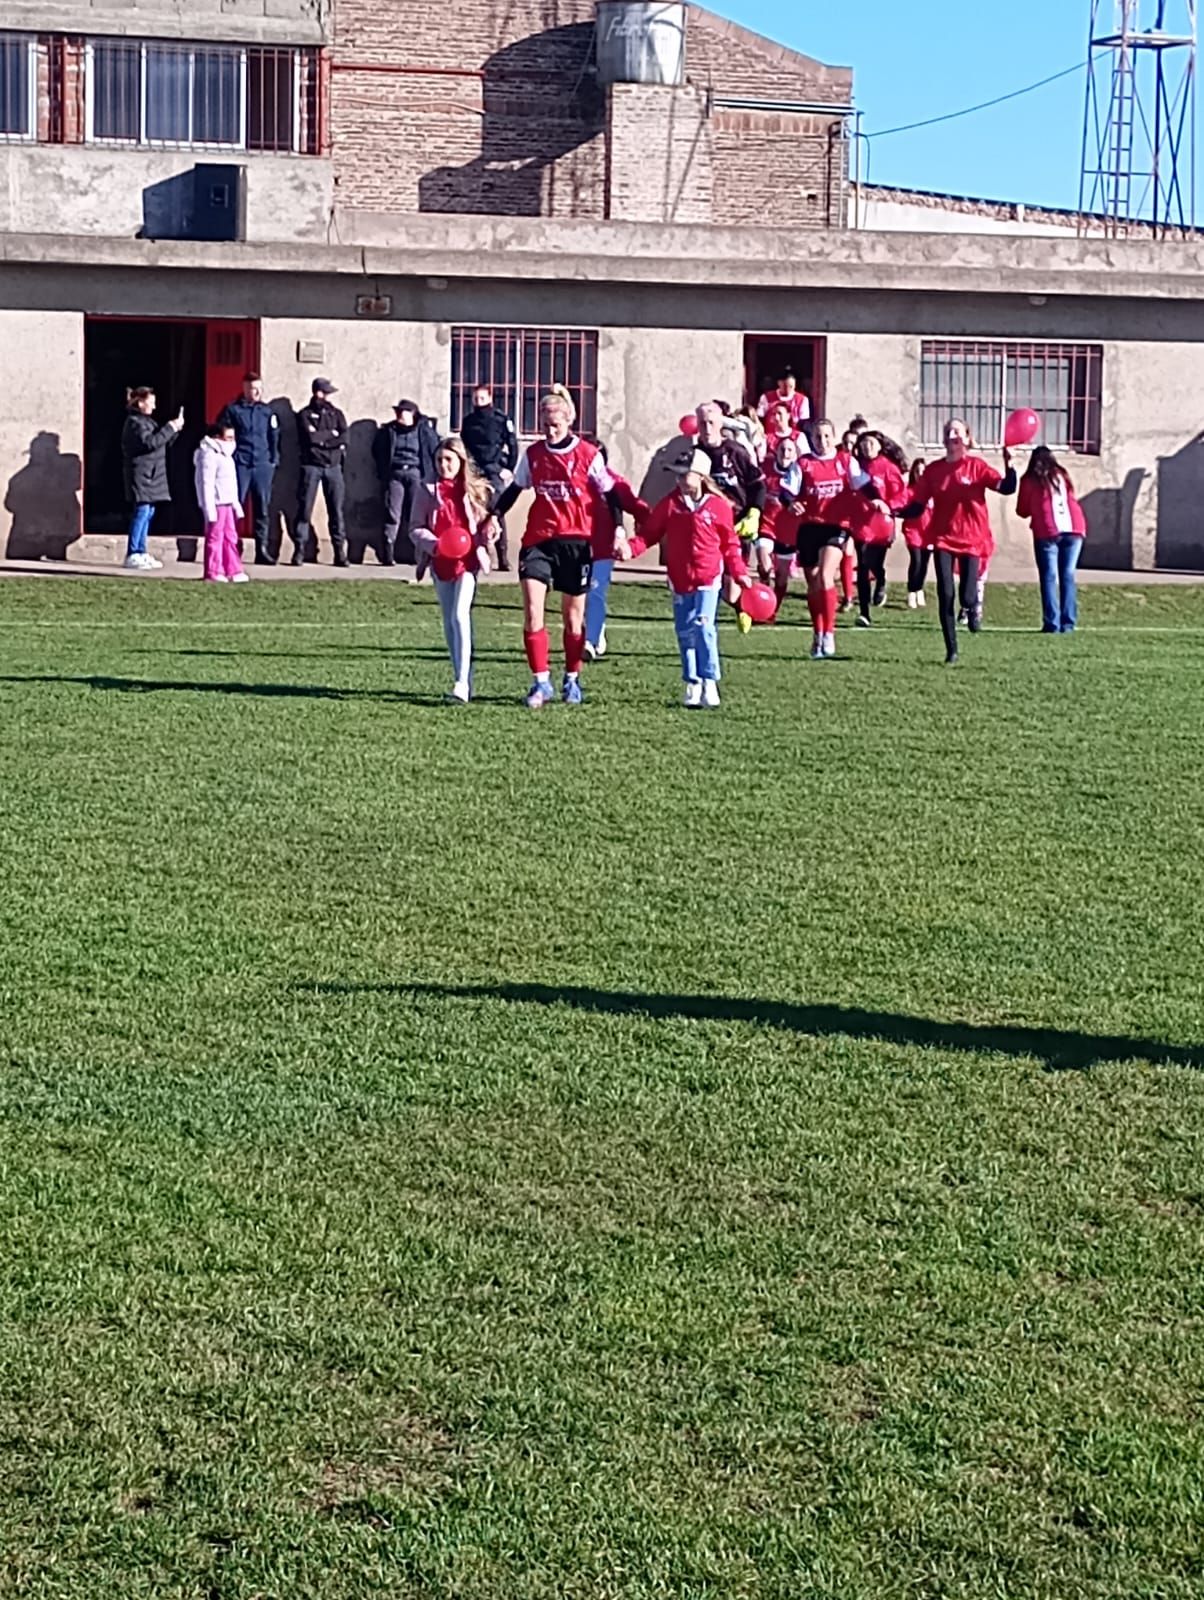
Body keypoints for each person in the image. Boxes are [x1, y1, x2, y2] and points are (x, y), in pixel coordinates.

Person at [492, 384, 618, 709]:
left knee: (573, 618)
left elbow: (611, 493)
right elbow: (515, 489)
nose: (550, 430)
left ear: (569, 421)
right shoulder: (534, 455)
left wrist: (618, 529)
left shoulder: (588, 455)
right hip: (538, 541)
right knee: (533, 611)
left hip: (576, 544)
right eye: (545, 424)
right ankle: (541, 682)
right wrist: (493, 515)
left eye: (556, 424)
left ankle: (572, 678)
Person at [617, 449, 751, 708]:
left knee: (703, 625)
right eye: (676, 475)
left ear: (700, 475)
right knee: (685, 632)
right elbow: (649, 534)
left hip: (708, 577)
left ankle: (710, 680)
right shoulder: (670, 505)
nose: (678, 480)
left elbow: (730, 544)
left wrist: (739, 572)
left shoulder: (718, 507)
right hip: (679, 579)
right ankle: (692, 682)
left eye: (684, 474)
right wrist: (630, 549)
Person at [901, 419, 1017, 663]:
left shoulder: (976, 467)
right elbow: (917, 506)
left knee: (967, 596)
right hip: (943, 538)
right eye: (948, 431)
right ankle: (951, 649)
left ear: (966, 437)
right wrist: (892, 511)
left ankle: (972, 607)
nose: (952, 434)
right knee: (945, 593)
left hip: (972, 539)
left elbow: (1007, 488)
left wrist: (1010, 464)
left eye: (957, 430)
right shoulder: (933, 471)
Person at [410, 437, 496, 702]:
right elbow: (415, 527)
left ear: (461, 462)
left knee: (460, 614)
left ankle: (462, 684)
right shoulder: (426, 490)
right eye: (439, 460)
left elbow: (487, 521)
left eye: (449, 460)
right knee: (449, 621)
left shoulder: (472, 490)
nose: (443, 465)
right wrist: (433, 545)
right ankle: (461, 674)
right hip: (440, 560)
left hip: (467, 561)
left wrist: (490, 533)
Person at [779, 418, 858, 660]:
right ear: (811, 439)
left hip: (836, 526)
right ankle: (818, 632)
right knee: (813, 583)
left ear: (834, 437)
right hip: (809, 527)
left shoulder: (845, 461)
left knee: (825, 575)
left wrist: (876, 501)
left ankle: (830, 633)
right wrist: (791, 504)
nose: (822, 441)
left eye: (826, 436)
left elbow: (864, 484)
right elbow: (786, 491)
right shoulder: (803, 464)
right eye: (817, 436)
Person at [694, 400, 765, 632]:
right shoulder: (695, 455)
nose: (707, 428)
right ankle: (704, 621)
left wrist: (754, 513)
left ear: (720, 423)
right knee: (709, 578)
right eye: (702, 423)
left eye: (711, 422)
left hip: (737, 524)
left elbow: (758, 485)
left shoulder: (736, 452)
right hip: (706, 526)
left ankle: (744, 605)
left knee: (732, 584)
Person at [584, 442, 646, 663]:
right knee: (580, 594)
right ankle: (596, 631)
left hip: (604, 548)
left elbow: (636, 506)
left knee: (595, 591)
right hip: (576, 546)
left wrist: (649, 527)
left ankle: (590, 641)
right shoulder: (574, 480)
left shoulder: (614, 483)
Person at [1017, 445, 1087, 633]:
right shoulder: (1062, 474)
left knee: (1049, 576)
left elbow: (1022, 510)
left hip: (1047, 530)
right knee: (1068, 575)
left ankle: (1052, 623)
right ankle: (1068, 623)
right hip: (1075, 527)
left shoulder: (1029, 480)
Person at [846, 432, 909, 626]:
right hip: (861, 524)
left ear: (880, 447)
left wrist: (888, 506)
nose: (867, 447)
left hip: (882, 524)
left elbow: (901, 495)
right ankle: (864, 613)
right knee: (863, 566)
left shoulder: (888, 468)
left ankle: (881, 580)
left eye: (871, 443)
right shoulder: (855, 466)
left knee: (874, 564)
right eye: (864, 443)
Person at [219, 373, 280, 566]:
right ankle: (232, 548)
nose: (257, 392)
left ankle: (262, 550)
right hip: (241, 463)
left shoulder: (266, 411)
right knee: (236, 507)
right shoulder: (232, 410)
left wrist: (273, 460)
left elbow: (274, 436)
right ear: (245, 389)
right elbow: (221, 434)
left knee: (262, 508)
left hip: (262, 465)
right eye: (253, 389)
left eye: (259, 389)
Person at [120, 385, 184, 571]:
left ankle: (141, 550)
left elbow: (161, 442)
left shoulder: (147, 422)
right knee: (141, 512)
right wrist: (169, 428)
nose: (154, 407)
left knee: (148, 512)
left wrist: (174, 430)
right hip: (143, 474)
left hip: (153, 474)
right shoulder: (135, 423)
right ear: (140, 403)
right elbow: (150, 442)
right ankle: (133, 552)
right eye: (151, 402)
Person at [374, 399, 440, 566]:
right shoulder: (389, 431)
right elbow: (377, 450)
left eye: (402, 412)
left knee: (416, 514)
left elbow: (434, 450)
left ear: (412, 414)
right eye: (397, 412)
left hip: (416, 473)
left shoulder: (424, 431)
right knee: (392, 512)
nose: (398, 415)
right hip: (395, 473)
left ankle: (417, 553)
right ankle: (388, 552)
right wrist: (384, 470)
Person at [459, 385, 519, 569]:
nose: (479, 402)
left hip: (494, 470)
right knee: (473, 512)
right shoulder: (468, 421)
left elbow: (512, 444)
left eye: (482, 398)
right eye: (476, 398)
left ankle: (502, 557)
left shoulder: (500, 419)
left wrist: (509, 468)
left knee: (496, 511)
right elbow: (464, 446)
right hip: (475, 471)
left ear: (490, 398)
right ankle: (476, 554)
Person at [294, 378, 348, 567]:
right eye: (324, 392)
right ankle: (299, 550)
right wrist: (330, 436)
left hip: (333, 467)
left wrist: (323, 440)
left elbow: (344, 437)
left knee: (336, 511)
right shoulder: (305, 414)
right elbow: (310, 438)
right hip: (311, 466)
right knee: (304, 509)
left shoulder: (336, 414)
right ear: (316, 392)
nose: (327, 396)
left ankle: (339, 552)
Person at [194, 420, 249, 585]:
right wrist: (209, 509)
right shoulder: (208, 455)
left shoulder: (227, 456)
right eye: (228, 438)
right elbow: (206, 483)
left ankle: (233, 569)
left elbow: (232, 483)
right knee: (215, 537)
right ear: (217, 437)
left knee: (230, 537)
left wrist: (236, 504)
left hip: (228, 502)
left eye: (233, 438)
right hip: (216, 504)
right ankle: (213, 571)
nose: (232, 442)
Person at [902, 458, 933, 609]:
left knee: (924, 563)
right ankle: (911, 591)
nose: (920, 474)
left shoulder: (932, 491)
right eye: (917, 471)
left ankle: (919, 589)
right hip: (913, 531)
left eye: (923, 471)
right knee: (916, 561)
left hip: (929, 532)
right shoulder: (909, 491)